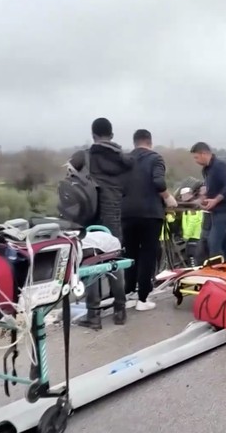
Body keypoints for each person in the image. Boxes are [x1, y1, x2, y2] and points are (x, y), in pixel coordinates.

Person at [71, 117, 134, 328]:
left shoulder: (84, 157)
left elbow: (72, 186)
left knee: (91, 261)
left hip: (91, 216)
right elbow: (128, 188)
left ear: (93, 135)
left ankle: (94, 315)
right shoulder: (125, 161)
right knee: (115, 260)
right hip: (114, 215)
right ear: (112, 135)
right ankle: (120, 310)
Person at [121, 129, 177, 312]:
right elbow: (159, 182)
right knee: (147, 254)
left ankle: (129, 294)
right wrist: (168, 198)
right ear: (150, 142)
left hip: (127, 213)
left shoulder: (125, 160)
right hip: (150, 214)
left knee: (129, 253)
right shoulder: (155, 158)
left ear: (135, 142)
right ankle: (143, 299)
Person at [191, 142, 226, 260]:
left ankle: (217, 272)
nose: (195, 161)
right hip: (214, 213)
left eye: (196, 157)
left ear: (204, 153)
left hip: (225, 211)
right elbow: (209, 188)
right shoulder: (205, 170)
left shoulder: (219, 166)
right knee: (225, 245)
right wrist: (202, 198)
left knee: (213, 243)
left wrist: (216, 200)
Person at [179, 187, 204, 267]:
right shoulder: (195, 205)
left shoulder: (191, 207)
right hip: (199, 235)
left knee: (192, 257)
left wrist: (186, 236)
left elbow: (192, 222)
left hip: (194, 237)